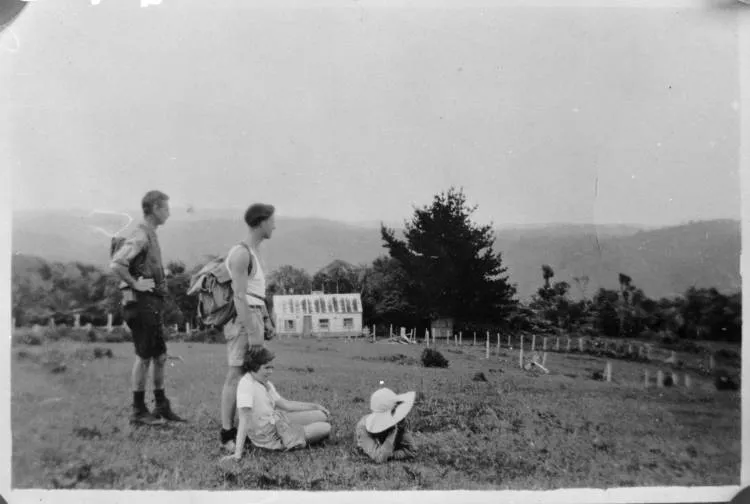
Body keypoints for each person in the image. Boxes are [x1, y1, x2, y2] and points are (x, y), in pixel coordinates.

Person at [110, 190, 185, 425]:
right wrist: (135, 283)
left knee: (160, 356)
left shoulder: (151, 235)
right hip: (140, 305)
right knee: (144, 357)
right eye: (165, 208)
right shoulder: (141, 235)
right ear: (154, 208)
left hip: (151, 305)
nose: (169, 212)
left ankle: (161, 406)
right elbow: (117, 263)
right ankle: (138, 410)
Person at [220, 203, 277, 450]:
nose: (274, 225)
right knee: (235, 375)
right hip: (244, 320)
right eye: (272, 221)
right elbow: (240, 296)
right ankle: (226, 435)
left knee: (248, 376)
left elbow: (255, 295)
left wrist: (266, 320)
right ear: (261, 222)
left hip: (254, 316)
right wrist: (253, 330)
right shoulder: (242, 253)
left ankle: (245, 430)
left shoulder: (254, 253)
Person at [220, 347, 331, 461]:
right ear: (254, 367)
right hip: (269, 436)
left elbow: (286, 404)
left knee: (322, 415)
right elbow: (244, 420)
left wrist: (315, 406)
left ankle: (300, 429)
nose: (270, 371)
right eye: (266, 368)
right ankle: (294, 437)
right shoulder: (246, 385)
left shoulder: (264, 382)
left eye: (272, 367)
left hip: (277, 421)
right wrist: (237, 454)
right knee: (326, 427)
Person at [355, 388, 417, 463]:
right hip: (371, 445)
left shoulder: (399, 421)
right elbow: (380, 458)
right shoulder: (363, 428)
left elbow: (412, 450)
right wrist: (392, 433)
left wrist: (391, 454)